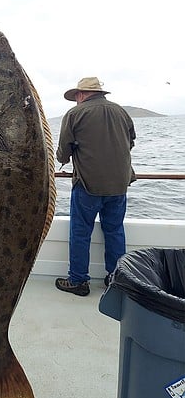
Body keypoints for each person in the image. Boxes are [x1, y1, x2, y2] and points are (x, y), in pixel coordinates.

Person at [55, 77, 136, 296]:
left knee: (81, 233)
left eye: (76, 97)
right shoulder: (121, 112)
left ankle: (78, 281)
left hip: (87, 185)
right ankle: (116, 280)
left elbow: (63, 152)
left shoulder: (74, 114)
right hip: (119, 184)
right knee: (115, 231)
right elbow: (130, 142)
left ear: (81, 94)